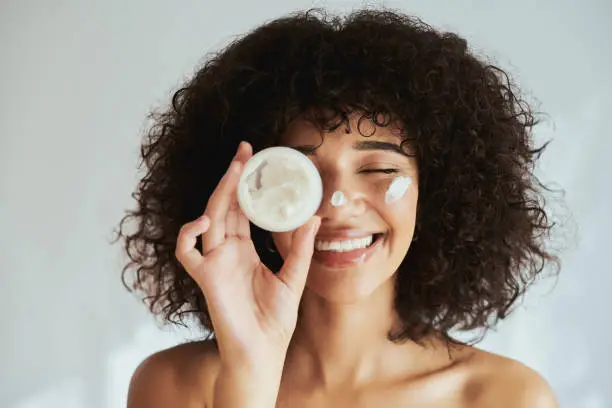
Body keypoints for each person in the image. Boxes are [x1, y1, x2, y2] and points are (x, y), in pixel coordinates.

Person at [116, 8, 561, 407]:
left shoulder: (505, 397)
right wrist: (249, 371)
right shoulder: (174, 386)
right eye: (298, 172)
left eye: (380, 169)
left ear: (441, 190)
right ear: (244, 195)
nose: (336, 202)